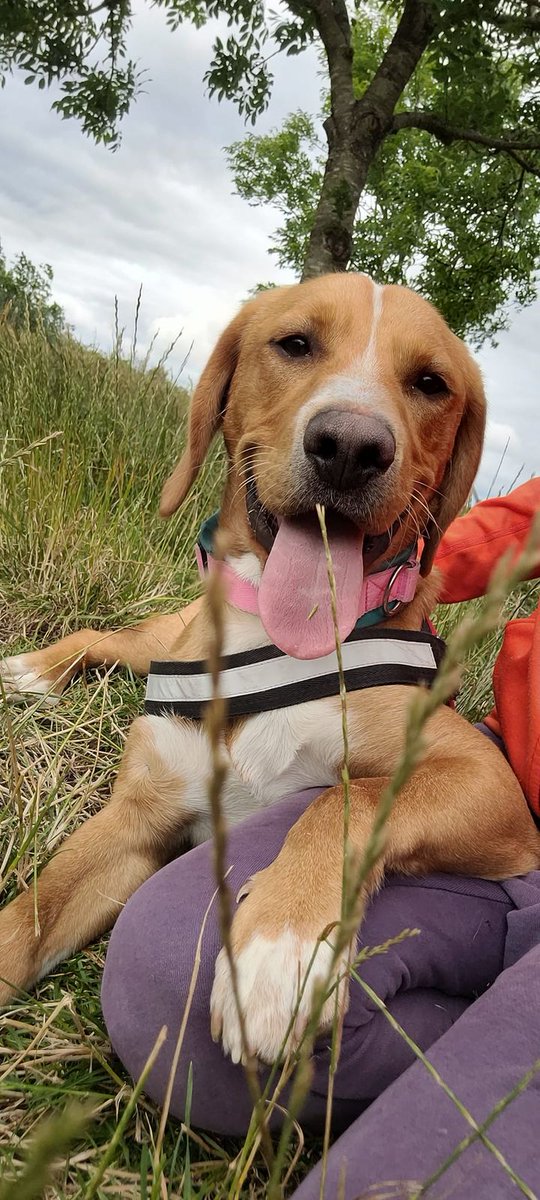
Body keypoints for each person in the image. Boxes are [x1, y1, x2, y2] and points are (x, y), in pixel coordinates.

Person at [101, 479, 540, 1199]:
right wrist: (362, 568)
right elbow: (488, 536)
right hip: (490, 810)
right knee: (172, 989)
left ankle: (481, 1042)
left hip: (495, 819)